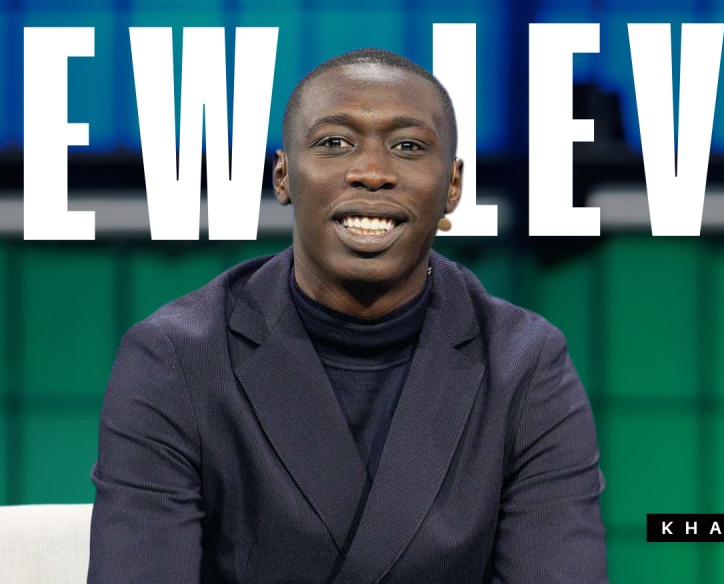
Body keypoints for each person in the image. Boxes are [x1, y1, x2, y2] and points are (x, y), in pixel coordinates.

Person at [88, 48, 607, 583]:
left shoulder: (525, 366)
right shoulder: (175, 359)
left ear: (452, 187)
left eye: (408, 146)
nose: (371, 173)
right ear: (283, 176)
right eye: (335, 143)